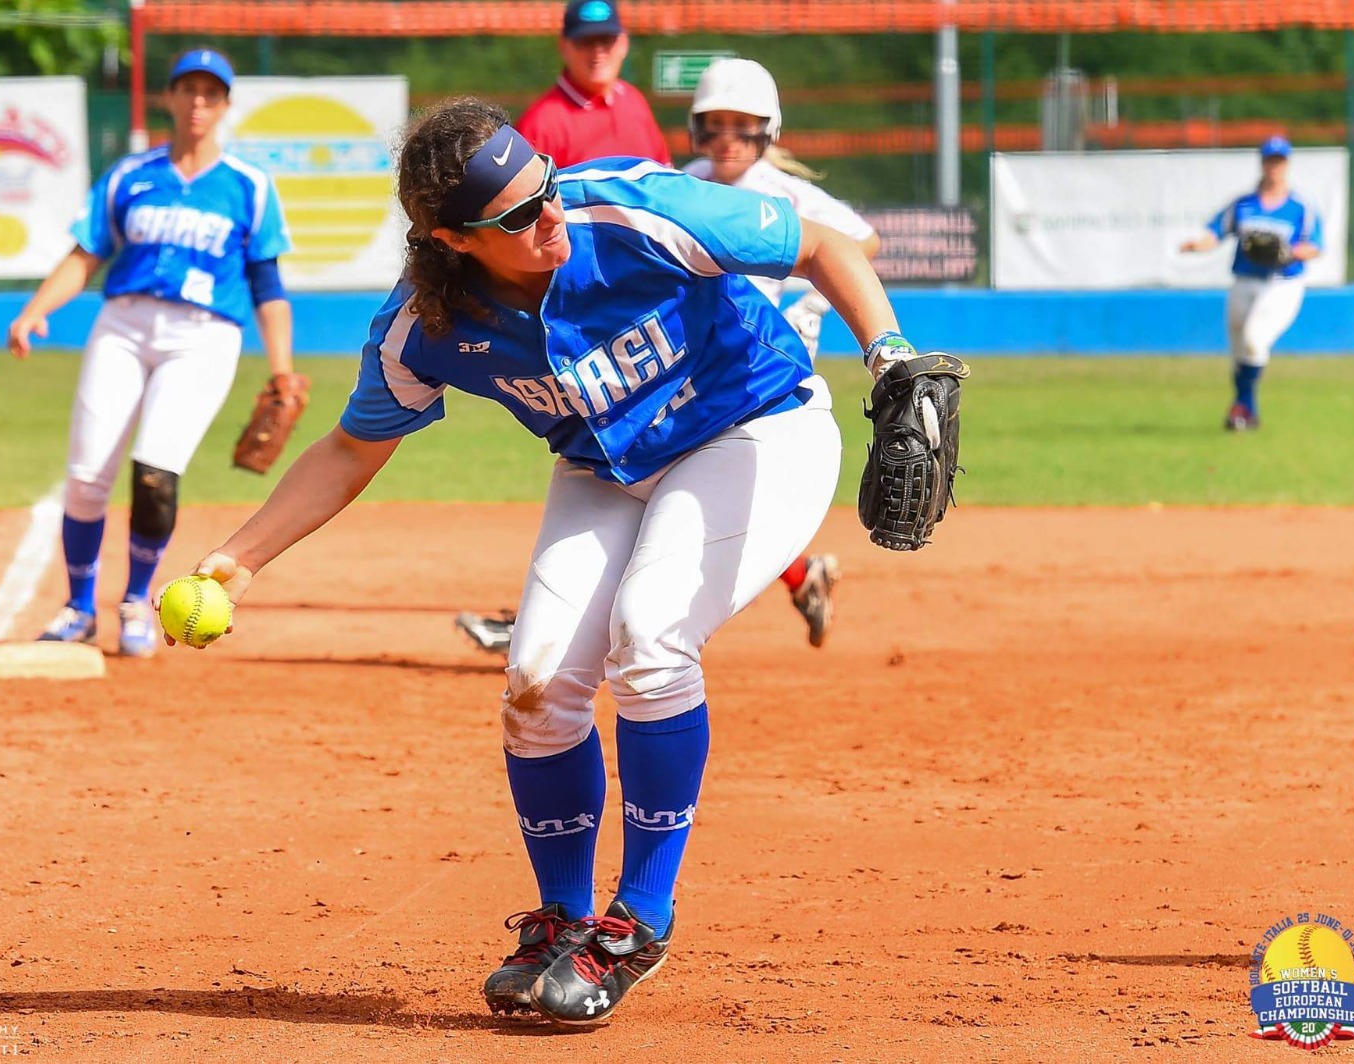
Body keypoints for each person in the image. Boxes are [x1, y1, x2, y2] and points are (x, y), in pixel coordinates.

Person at [165, 99, 938, 1025]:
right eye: (519, 216)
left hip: (756, 426)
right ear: (451, 238)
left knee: (650, 639)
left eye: (547, 188)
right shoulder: (424, 325)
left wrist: (891, 356)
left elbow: (820, 246)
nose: (550, 215)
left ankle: (639, 921)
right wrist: (237, 561)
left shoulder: (635, 210)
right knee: (536, 683)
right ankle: (565, 918)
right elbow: (351, 446)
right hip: (606, 464)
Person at [457, 58, 876, 655]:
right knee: (642, 477)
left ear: (768, 129)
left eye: (742, 124)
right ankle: (559, 621)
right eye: (714, 124)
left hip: (753, 367)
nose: (727, 138)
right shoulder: (685, 178)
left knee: (675, 491)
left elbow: (854, 240)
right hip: (678, 358)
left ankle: (572, 627)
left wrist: (808, 292)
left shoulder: (784, 194)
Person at [8, 48, 294, 657]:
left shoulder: (249, 186)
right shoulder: (129, 175)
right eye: (187, 89)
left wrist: (282, 367)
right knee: (87, 477)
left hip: (204, 336)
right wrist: (36, 310)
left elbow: (268, 285)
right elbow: (86, 254)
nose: (197, 102)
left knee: (156, 474)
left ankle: (136, 600)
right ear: (167, 98)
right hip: (123, 325)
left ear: (224, 105)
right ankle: (77, 607)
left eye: (210, 93)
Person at [1179, 135, 1322, 431]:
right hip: (1244, 282)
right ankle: (1247, 410)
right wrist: (1198, 244)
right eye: (1270, 160)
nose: (1274, 167)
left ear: (1287, 165)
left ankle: (1241, 407)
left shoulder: (1300, 208)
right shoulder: (1244, 205)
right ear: (1262, 163)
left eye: (1279, 161)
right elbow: (1216, 232)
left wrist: (1289, 253)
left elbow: (1315, 246)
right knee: (1239, 353)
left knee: (1254, 339)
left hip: (1280, 284)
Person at [513, 0, 670, 169]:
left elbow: (665, 178)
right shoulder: (540, 124)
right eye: (585, 41)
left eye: (606, 40)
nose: (597, 52)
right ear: (563, 46)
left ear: (623, 43)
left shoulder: (634, 100)